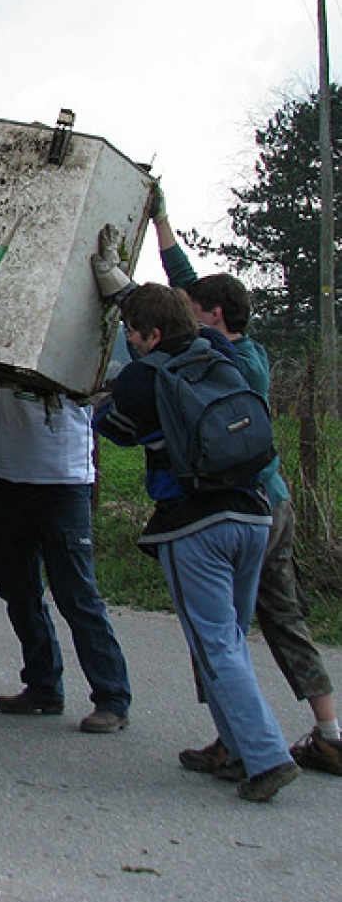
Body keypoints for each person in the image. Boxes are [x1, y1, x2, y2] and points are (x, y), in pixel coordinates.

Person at [150, 187, 341, 777]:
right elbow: (186, 286)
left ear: (213, 317)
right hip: (267, 505)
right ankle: (304, 733)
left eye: (194, 309)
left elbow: (176, 314)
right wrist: (161, 220)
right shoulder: (239, 347)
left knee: (224, 629)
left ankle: (267, 740)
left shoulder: (234, 360)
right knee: (265, 622)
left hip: (249, 508)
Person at [94, 282, 300, 801]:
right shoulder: (221, 349)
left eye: (134, 335)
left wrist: (105, 392)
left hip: (196, 525)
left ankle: (268, 756)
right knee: (229, 640)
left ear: (153, 334)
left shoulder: (143, 377)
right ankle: (233, 749)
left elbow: (111, 427)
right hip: (255, 515)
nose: (132, 343)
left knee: (215, 643)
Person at [0, 385, 133, 733]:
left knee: (77, 595)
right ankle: (43, 685)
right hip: (10, 478)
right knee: (16, 588)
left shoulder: (78, 345)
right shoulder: (4, 336)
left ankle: (112, 697)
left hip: (63, 481)